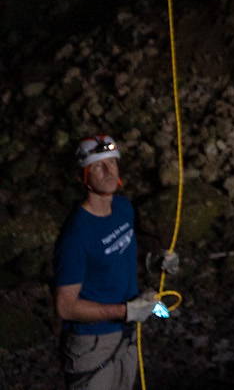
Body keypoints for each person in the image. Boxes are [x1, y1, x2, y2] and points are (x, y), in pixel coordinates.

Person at [52, 134, 165, 390]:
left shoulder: (124, 208)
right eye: (98, 166)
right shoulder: (76, 235)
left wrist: (156, 262)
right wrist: (125, 311)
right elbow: (66, 307)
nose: (108, 170)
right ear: (84, 176)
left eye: (112, 163)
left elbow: (122, 255)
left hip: (126, 337)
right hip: (92, 345)